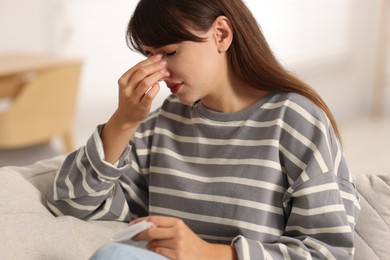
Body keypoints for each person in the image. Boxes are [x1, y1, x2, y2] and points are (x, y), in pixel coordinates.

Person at [47, 0, 360, 259]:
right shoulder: (166, 122)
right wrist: (124, 121)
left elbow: (327, 252)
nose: (159, 72)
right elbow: (71, 202)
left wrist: (210, 253)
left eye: (169, 52)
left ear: (221, 34)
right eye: (149, 56)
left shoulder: (295, 120)